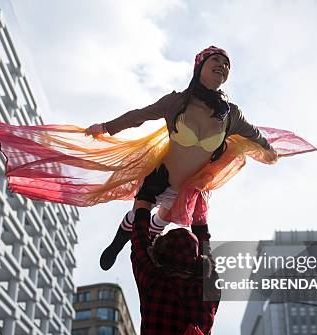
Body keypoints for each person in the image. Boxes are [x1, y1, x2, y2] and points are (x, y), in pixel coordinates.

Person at [85, 46, 279, 270]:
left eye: (227, 65)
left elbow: (255, 135)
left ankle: (157, 251)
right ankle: (116, 245)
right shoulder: (177, 101)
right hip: (161, 176)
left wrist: (270, 151)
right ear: (199, 66)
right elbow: (139, 115)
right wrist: (106, 127)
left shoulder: (231, 114)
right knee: (140, 213)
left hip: (190, 187)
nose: (223, 66)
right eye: (216, 60)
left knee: (164, 220)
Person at [130, 199, 220, 335]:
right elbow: (209, 261)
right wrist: (199, 219)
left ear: (160, 255)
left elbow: (139, 246)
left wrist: (144, 201)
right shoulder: (206, 292)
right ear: (196, 259)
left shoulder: (154, 283)